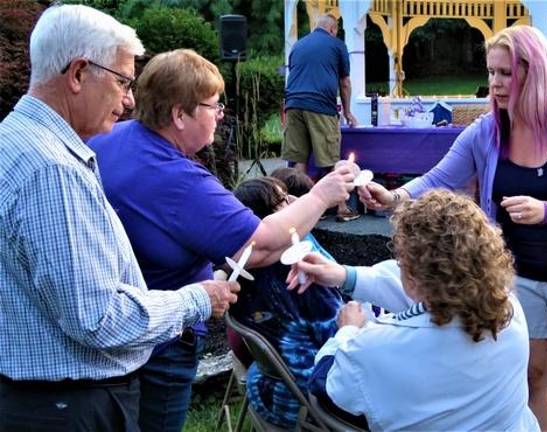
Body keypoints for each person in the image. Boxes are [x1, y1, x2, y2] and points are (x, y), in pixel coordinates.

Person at [359, 25, 547, 431]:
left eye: (506, 73)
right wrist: (394, 196)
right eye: (491, 72)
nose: (495, 83)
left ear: (535, 71)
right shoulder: (485, 132)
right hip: (518, 277)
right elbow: (440, 177)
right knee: (532, 378)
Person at [87, 49, 354, 432]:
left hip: (121, 333)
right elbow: (258, 246)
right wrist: (322, 195)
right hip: (160, 344)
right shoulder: (176, 178)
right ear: (179, 114)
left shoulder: (112, 138)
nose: (221, 114)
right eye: (213, 105)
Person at [0, 5, 240, 431]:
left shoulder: (16, 139)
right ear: (77, 74)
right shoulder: (51, 169)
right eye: (122, 82)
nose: (129, 100)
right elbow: (97, 319)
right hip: (69, 407)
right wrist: (199, 299)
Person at [288, 189, 539, 431]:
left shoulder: (373, 347)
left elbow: (327, 385)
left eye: (401, 261)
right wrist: (345, 276)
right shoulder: (508, 308)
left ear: (413, 275)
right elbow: (437, 289)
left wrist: (347, 332)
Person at [230, 176, 343, 428]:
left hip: (264, 390)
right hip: (313, 403)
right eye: (282, 201)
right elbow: (343, 342)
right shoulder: (302, 281)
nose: (293, 202)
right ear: (270, 221)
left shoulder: (236, 278)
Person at [282, 13, 360, 222]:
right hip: (320, 107)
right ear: (333, 29)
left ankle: (300, 210)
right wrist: (347, 111)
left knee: (298, 160)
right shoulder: (336, 45)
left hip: (293, 105)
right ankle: (342, 209)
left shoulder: (298, 46)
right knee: (329, 159)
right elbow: (344, 83)